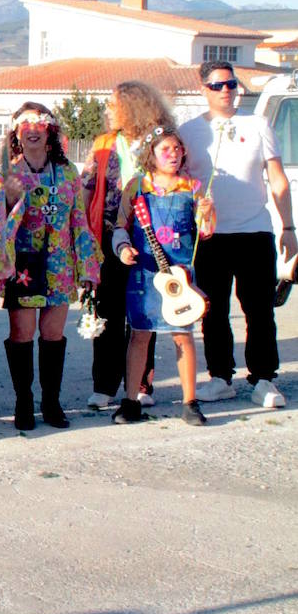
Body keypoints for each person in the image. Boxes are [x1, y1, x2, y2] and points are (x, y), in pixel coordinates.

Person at [180, 61, 293, 409]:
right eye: (217, 86)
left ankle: (263, 379)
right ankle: (219, 377)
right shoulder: (188, 132)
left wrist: (288, 227)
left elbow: (276, 178)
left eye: (231, 84)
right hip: (211, 236)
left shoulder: (257, 125)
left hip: (254, 231)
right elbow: (179, 183)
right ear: (204, 90)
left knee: (259, 308)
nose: (226, 91)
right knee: (212, 309)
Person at [0, 103, 101, 431]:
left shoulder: (67, 172)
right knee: (22, 333)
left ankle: (51, 401)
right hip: (24, 264)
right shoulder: (9, 173)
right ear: (16, 133)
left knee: (53, 334)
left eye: (39, 123)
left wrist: (88, 267)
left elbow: (79, 220)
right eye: (24, 124)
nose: (32, 129)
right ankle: (23, 400)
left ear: (51, 130)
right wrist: (11, 201)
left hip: (59, 265)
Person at [110, 126, 216, 425]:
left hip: (180, 275)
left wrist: (207, 213)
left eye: (177, 148)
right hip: (145, 274)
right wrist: (123, 248)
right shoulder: (137, 186)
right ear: (151, 154)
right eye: (165, 149)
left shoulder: (193, 187)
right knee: (139, 336)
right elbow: (120, 225)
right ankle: (130, 400)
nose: (173, 154)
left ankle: (190, 402)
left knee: (183, 336)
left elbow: (205, 234)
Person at [81, 82, 174, 410]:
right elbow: (88, 188)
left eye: (112, 103)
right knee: (107, 309)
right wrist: (84, 236)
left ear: (133, 106)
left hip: (150, 238)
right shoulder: (105, 143)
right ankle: (105, 384)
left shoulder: (161, 140)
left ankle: (141, 383)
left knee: (145, 311)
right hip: (108, 236)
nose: (107, 110)